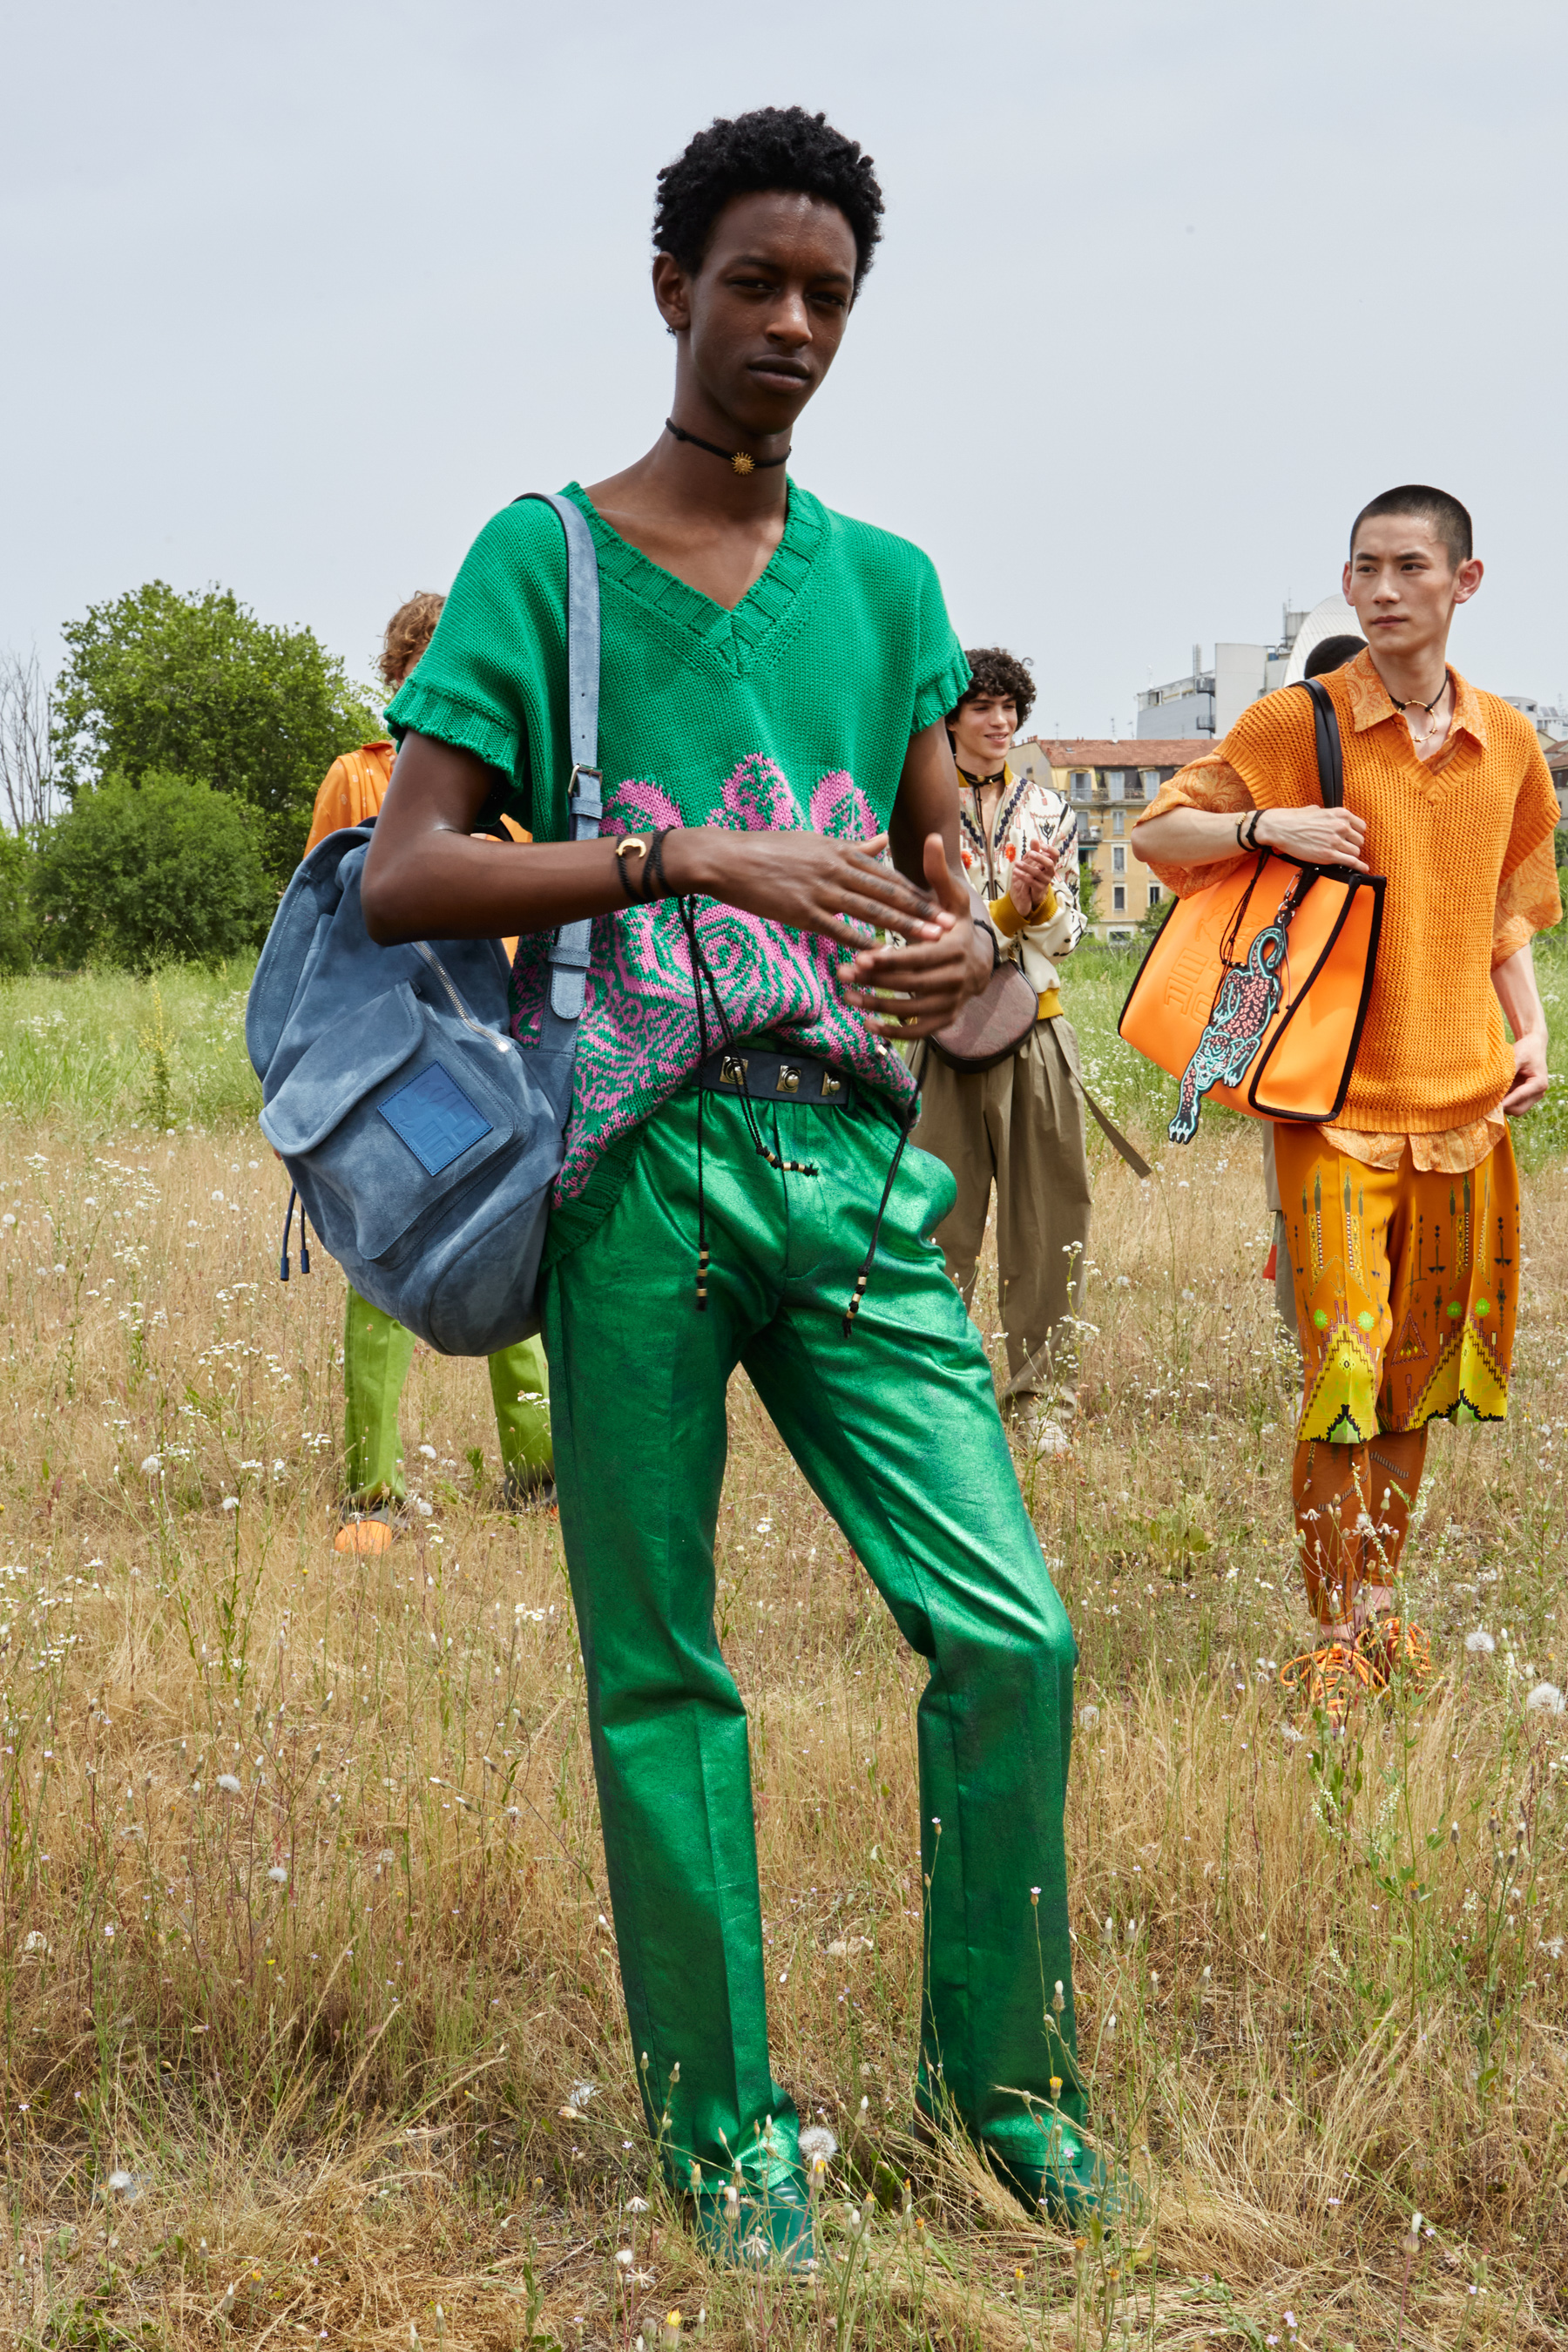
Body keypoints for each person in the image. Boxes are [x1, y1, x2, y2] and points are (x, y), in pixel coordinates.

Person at [361, 107, 1108, 2261]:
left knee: (1018, 1629)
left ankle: (1014, 2085)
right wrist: (684, 848)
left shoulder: (889, 589)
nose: (792, 323)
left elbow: (942, 875)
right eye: (756, 281)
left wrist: (974, 944)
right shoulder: (546, 561)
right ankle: (728, 2134)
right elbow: (412, 869)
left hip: (850, 1162)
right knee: (665, 1666)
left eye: (830, 297)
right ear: (671, 286)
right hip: (634, 1171)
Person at [1134, 486, 1558, 1720]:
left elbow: (1502, 910)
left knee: (1420, 1382)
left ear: (1463, 583)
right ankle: (1328, 1629)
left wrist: (1532, 1027)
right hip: (1333, 1110)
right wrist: (1273, 823)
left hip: (1467, 1105)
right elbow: (1164, 835)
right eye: (1364, 567)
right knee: (1346, 1373)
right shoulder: (1298, 720)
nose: (1381, 589)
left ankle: (1383, 1615)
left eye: (1408, 567)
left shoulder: (1511, 743)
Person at [305, 594, 554, 1554]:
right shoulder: (356, 777)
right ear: (399, 676)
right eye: (423, 669)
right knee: (382, 1253)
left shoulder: (514, 791)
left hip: (498, 1044)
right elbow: (328, 909)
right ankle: (372, 1488)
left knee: (515, 1240)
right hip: (397, 1054)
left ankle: (535, 1474)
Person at [908, 649, 1090, 1452]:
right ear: (950, 716)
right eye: (982, 706)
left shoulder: (1051, 811)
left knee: (1049, 1220)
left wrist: (1041, 899)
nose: (999, 722)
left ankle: (1041, 1397)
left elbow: (1073, 934)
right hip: (939, 1039)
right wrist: (1005, 913)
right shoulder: (910, 810)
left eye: (1010, 708)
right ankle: (933, 1394)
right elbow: (921, 929)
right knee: (934, 1223)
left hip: (1038, 1030)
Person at [1259, 629, 1369, 1339]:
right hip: (1305, 1021)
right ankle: (1309, 1343)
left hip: (1334, 1020)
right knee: (1300, 1201)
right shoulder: (1285, 781)